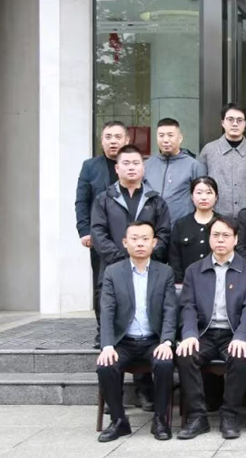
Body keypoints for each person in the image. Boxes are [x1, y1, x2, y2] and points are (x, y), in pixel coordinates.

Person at [175, 216, 246, 440]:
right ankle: (197, 417)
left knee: (240, 356)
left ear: (236, 240)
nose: (220, 240)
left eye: (226, 235)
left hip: (234, 333)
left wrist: (242, 336)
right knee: (185, 354)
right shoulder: (194, 270)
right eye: (216, 235)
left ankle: (230, 415)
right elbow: (187, 306)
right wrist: (189, 334)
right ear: (209, 239)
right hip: (204, 333)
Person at [95, 221, 177, 443]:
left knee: (164, 363)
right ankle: (119, 421)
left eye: (145, 239)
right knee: (106, 365)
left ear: (154, 242)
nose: (140, 243)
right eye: (134, 238)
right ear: (125, 242)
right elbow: (107, 311)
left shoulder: (165, 272)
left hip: (153, 340)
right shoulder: (113, 272)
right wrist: (107, 345)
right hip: (124, 341)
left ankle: (160, 419)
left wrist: (167, 342)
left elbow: (170, 310)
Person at [76, 120, 129, 346]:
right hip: (100, 237)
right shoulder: (90, 166)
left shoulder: (132, 163)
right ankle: (103, 331)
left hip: (130, 237)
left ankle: (128, 330)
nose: (113, 141)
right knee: (102, 285)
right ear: (101, 140)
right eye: (108, 137)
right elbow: (82, 201)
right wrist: (84, 231)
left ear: (127, 140)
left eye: (118, 137)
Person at [198, 103, 246, 218]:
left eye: (239, 120)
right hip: (215, 217)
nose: (235, 124)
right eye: (230, 119)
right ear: (222, 123)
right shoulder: (209, 150)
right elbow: (200, 184)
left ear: (245, 124)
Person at [144, 117, 206, 224]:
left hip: (182, 227)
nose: (165, 140)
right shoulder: (147, 165)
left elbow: (203, 199)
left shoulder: (193, 165)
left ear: (180, 138)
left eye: (170, 135)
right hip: (152, 226)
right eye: (161, 135)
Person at [169, 176, 219, 284]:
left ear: (216, 197)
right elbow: (174, 258)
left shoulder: (223, 223)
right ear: (192, 196)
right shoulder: (181, 224)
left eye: (209, 193)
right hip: (187, 284)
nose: (204, 197)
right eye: (199, 193)